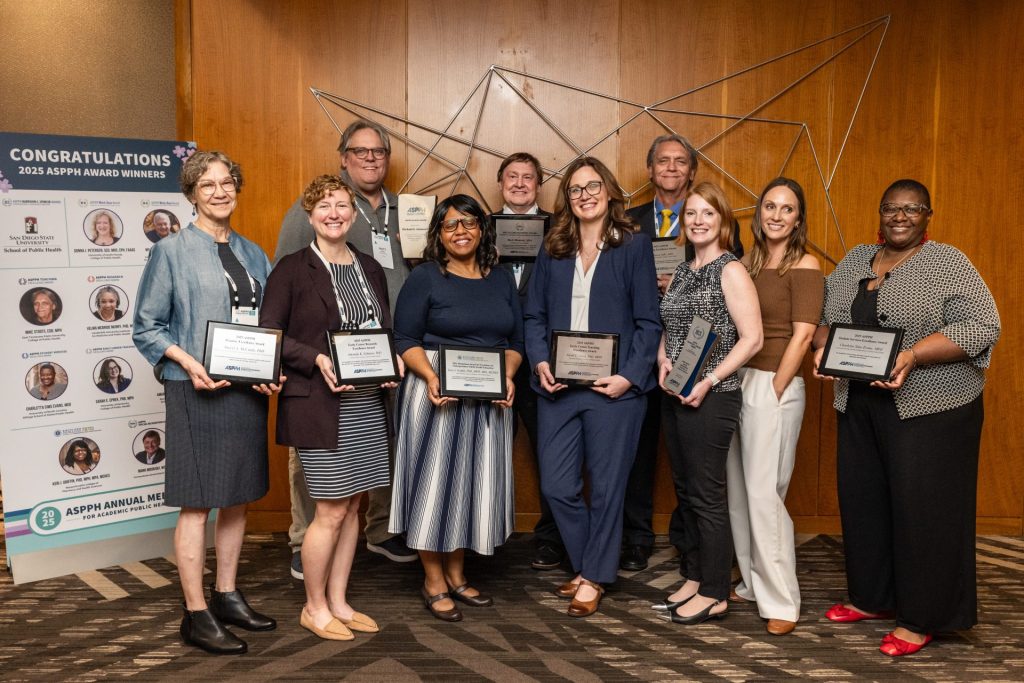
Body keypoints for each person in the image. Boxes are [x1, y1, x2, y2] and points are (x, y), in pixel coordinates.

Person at [812, 179, 1000, 656]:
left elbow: (982, 325)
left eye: (912, 208)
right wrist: (821, 349)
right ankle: (873, 598)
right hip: (859, 403)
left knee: (925, 512)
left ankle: (922, 617)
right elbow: (825, 317)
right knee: (865, 502)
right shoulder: (856, 259)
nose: (900, 216)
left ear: (927, 215)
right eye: (891, 208)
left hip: (933, 407)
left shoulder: (948, 262)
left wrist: (913, 354)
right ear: (880, 213)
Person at [133, 150, 281, 655]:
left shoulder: (253, 252)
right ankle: (195, 613)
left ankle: (227, 595)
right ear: (191, 192)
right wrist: (190, 363)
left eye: (227, 183)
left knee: (237, 497)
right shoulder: (170, 251)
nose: (220, 192)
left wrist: (270, 368)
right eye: (208, 184)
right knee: (198, 503)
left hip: (244, 392)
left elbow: (267, 325)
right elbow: (146, 327)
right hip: (194, 390)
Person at [275, 119, 415, 578]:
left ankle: (378, 530)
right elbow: (283, 301)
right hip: (320, 376)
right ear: (343, 156)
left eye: (379, 152)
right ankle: (304, 539)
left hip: (378, 363)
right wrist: (311, 356)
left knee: (371, 465)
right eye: (360, 151)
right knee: (317, 468)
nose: (370, 158)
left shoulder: (405, 210)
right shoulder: (310, 212)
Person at [261, 175, 397, 640]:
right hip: (319, 405)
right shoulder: (292, 269)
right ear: (309, 214)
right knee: (330, 511)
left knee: (354, 506)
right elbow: (271, 334)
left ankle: (339, 600)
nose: (334, 213)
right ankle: (314, 606)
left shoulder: (370, 268)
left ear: (354, 214)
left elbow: (382, 329)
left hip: (365, 403)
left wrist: (390, 358)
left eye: (342, 206)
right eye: (324, 206)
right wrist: (317, 358)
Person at [524, 157, 661, 618]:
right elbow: (534, 316)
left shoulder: (633, 247)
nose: (585, 195)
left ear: (609, 190)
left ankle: (593, 578)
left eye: (593, 186)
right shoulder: (553, 247)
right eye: (576, 189)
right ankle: (590, 566)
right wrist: (541, 360)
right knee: (560, 486)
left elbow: (648, 321)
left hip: (614, 390)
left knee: (606, 489)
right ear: (567, 197)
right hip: (559, 389)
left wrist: (630, 376)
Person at [390, 194, 522, 622]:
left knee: (470, 488)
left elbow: (515, 342)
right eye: (450, 225)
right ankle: (432, 579)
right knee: (435, 489)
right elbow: (405, 340)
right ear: (439, 234)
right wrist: (431, 377)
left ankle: (457, 573)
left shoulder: (500, 279)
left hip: (487, 401)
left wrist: (507, 376)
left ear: (482, 229)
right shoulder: (425, 277)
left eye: (468, 223)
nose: (460, 232)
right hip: (436, 397)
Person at [620, 133, 745, 572]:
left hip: (705, 372)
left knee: (697, 474)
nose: (671, 168)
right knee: (641, 453)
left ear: (692, 172)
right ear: (650, 169)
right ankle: (636, 538)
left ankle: (689, 550)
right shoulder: (628, 222)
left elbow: (740, 320)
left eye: (680, 162)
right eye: (662, 161)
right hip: (648, 355)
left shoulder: (719, 245)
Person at [656, 182, 762, 625]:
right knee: (686, 492)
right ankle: (696, 577)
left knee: (707, 496)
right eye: (692, 213)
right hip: (676, 392)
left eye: (708, 214)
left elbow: (752, 338)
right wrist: (663, 357)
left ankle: (716, 591)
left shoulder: (730, 270)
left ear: (723, 222)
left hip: (712, 396)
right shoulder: (682, 272)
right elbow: (671, 326)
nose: (698, 221)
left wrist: (710, 379)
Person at [726, 178, 823, 636]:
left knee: (766, 496)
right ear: (759, 213)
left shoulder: (806, 264)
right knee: (740, 493)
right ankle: (750, 582)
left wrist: (777, 388)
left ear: (798, 218)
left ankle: (782, 598)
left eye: (787, 209)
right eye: (770, 206)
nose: (777, 215)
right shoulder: (746, 262)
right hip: (737, 380)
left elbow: (803, 335)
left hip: (774, 384)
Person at [495, 152, 565, 571]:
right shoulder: (479, 226)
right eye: (512, 177)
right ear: (500, 182)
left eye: (528, 178)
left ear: (539, 185)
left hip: (545, 358)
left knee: (550, 453)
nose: (520, 184)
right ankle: (483, 534)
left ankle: (551, 539)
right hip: (491, 356)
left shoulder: (562, 229)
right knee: (483, 447)